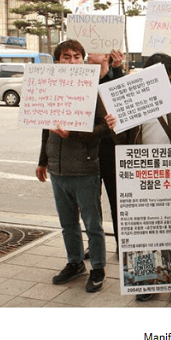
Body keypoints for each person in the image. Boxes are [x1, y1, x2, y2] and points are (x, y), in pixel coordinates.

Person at [105, 52, 171, 304]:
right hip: (140, 175)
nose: (165, 83)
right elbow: (122, 142)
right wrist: (114, 127)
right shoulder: (131, 100)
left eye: (169, 78)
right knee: (144, 232)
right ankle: (145, 280)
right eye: (160, 77)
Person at [35, 39, 108, 293]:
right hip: (57, 170)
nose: (72, 61)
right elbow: (46, 126)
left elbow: (104, 128)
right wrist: (43, 160)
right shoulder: (49, 89)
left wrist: (73, 134)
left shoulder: (93, 91)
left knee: (93, 224)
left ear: (84, 61)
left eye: (77, 56)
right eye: (67, 57)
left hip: (86, 170)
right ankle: (75, 263)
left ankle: (98, 268)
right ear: (57, 62)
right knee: (67, 223)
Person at [86, 49, 124, 252]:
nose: (89, 54)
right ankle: (95, 246)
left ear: (107, 56)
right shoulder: (82, 79)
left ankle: (121, 243)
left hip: (111, 149)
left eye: (95, 50)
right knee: (91, 203)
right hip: (88, 147)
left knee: (117, 199)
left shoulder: (117, 76)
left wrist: (117, 69)